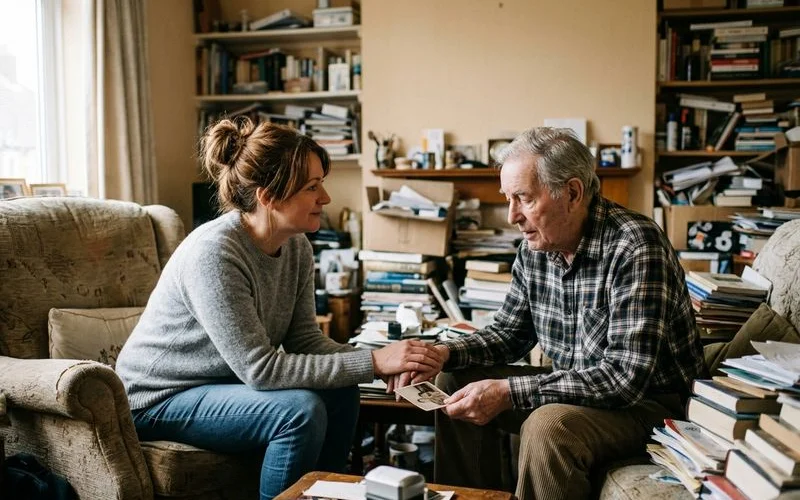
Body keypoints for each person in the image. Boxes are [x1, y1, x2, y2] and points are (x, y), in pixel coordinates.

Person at [115, 118, 445, 500]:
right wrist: (374, 362)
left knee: (341, 392)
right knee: (298, 411)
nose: (326, 197)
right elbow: (261, 369)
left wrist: (385, 360)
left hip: (220, 382)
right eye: (312, 186)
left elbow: (304, 340)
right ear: (268, 196)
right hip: (156, 398)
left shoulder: (297, 246)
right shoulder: (215, 254)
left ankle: (328, 495)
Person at [418, 127, 704, 499]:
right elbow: (509, 335)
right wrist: (442, 353)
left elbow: (624, 378)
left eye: (523, 198)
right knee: (454, 382)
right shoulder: (535, 248)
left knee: (547, 425)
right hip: (578, 388)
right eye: (508, 199)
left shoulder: (635, 246)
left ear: (571, 193)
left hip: (651, 406)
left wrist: (508, 391)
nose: (511, 216)